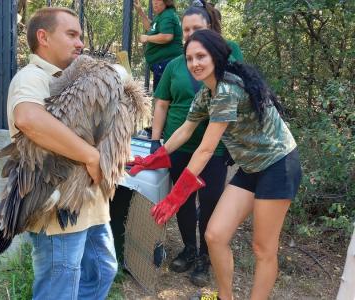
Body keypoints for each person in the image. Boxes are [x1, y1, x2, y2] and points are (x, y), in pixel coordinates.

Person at [128, 29, 302, 300]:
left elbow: (207, 148)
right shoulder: (207, 93)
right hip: (250, 168)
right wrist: (156, 156)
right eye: (189, 58)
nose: (194, 63)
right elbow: (185, 130)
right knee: (215, 235)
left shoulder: (226, 90)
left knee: (263, 249)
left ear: (216, 57)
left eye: (201, 56)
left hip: (278, 166)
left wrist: (177, 194)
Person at [6, 8, 117, 300]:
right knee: (59, 288)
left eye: (80, 35)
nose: (80, 43)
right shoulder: (32, 77)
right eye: (71, 34)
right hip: (57, 210)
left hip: (92, 208)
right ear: (43, 37)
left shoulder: (76, 79)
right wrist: (92, 157)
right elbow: (28, 119)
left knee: (103, 271)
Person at [149, 0, 243, 287]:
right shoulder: (177, 67)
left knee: (211, 201)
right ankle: (190, 249)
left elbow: (235, 100)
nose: (190, 34)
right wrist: (157, 147)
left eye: (197, 28)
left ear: (210, 29)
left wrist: (229, 146)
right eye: (186, 29)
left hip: (214, 149)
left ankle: (205, 256)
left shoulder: (225, 65)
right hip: (181, 146)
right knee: (185, 203)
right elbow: (165, 106)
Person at [134, 0, 183, 91]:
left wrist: (147, 38)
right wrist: (140, 11)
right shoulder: (163, 15)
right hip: (163, 65)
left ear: (167, 1)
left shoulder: (167, 15)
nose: (155, 2)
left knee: (161, 99)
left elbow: (167, 36)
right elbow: (150, 28)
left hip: (166, 64)